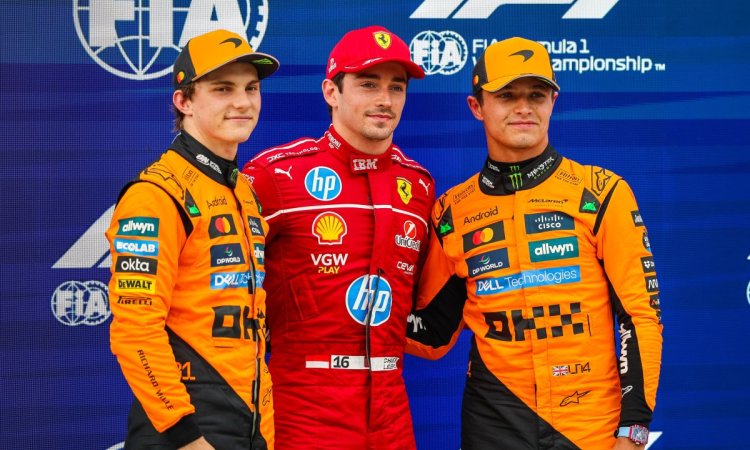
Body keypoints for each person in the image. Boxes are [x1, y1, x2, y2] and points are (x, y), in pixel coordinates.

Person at [406, 37, 663, 449]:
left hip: (589, 425)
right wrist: (349, 308)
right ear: (477, 106)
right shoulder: (452, 212)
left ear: (553, 102)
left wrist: (633, 431)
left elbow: (639, 317)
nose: (524, 107)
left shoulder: (602, 192)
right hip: (494, 424)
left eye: (536, 95)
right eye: (507, 95)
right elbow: (433, 334)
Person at [242, 26, 433, 450]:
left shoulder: (419, 185)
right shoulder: (275, 175)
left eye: (396, 87)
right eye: (368, 84)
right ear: (331, 91)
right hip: (304, 409)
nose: (385, 100)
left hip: (392, 412)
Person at [105, 29, 279, 450]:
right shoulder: (156, 195)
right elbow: (135, 330)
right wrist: (185, 435)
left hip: (252, 420)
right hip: (186, 427)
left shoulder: (243, 190)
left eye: (251, 88)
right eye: (223, 89)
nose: (243, 102)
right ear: (184, 101)